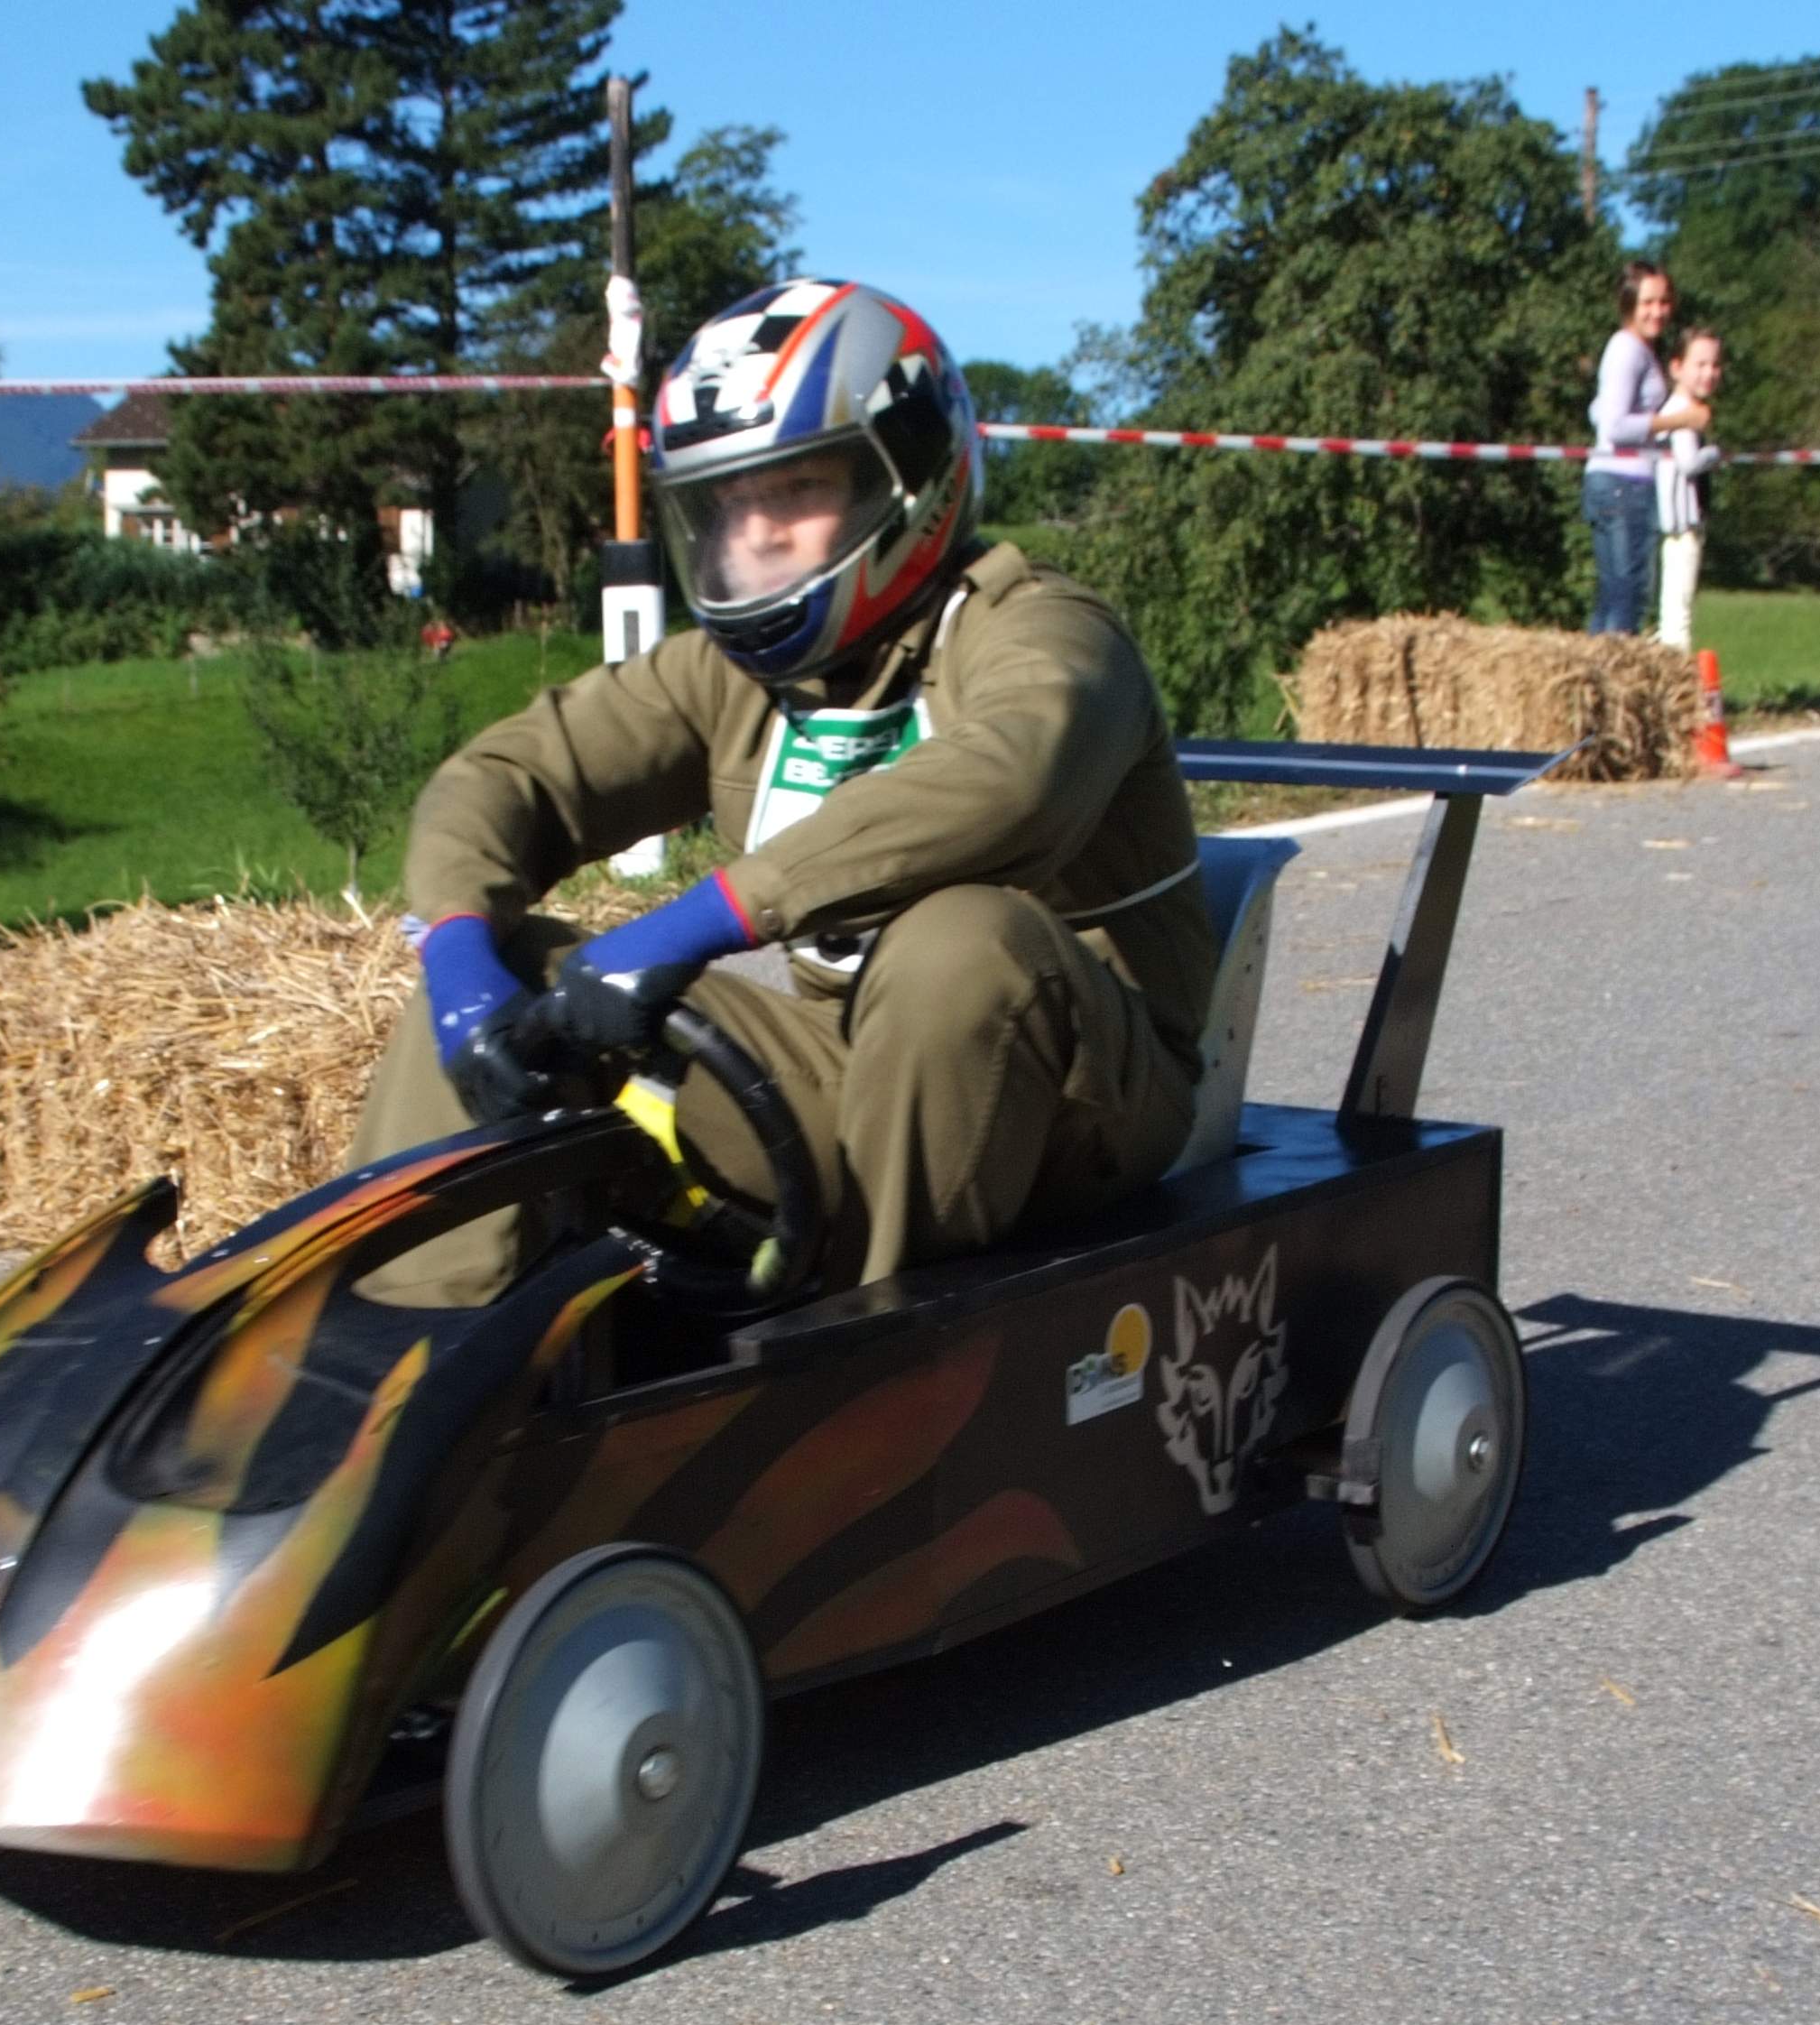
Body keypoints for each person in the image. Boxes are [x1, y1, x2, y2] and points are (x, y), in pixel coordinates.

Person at [346, 278, 1214, 1308]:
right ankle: (405, 1357)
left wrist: (702, 920)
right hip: (859, 1071)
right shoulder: (739, 676)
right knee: (514, 971)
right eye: (728, 503)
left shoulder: (1045, 629)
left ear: (908, 481)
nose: (752, 535)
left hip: (1086, 1103)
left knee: (961, 946)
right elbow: (506, 776)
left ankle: (870, 1357)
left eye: (796, 490)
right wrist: (456, 951)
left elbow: (1012, 775)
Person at [1586, 263, 1714, 635]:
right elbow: (1615, 426)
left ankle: (1594, 672)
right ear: (1629, 303)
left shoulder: (1636, 350)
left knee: (1614, 597)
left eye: (1664, 302)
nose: (1658, 311)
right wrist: (1681, 420)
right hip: (1624, 485)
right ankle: (1613, 673)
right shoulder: (1628, 350)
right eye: (1648, 302)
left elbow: (1598, 411)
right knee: (1627, 600)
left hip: (1615, 483)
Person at [1652, 330, 1723, 652]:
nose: (1709, 373)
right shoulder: (1683, 412)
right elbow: (1689, 462)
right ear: (1677, 367)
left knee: (1673, 605)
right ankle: (1678, 669)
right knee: (1678, 613)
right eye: (1700, 364)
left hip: (1677, 522)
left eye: (1715, 365)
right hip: (1682, 524)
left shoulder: (1676, 408)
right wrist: (1715, 455)